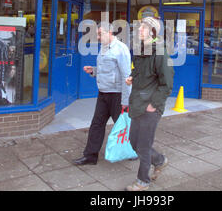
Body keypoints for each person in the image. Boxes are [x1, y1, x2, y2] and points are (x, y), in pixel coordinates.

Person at [125, 16, 174, 191]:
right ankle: (160, 160)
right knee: (133, 142)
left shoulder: (161, 52)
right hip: (138, 103)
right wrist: (132, 77)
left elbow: (167, 83)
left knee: (144, 146)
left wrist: (154, 105)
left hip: (150, 107)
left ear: (152, 31)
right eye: (139, 27)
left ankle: (142, 182)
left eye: (143, 28)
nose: (139, 30)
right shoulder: (140, 50)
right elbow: (141, 72)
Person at [72, 22, 132, 165]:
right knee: (96, 124)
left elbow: (127, 77)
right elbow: (107, 70)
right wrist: (93, 70)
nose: (98, 37)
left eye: (100, 34)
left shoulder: (121, 49)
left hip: (117, 95)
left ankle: (134, 150)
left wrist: (126, 101)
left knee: (124, 126)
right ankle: (90, 156)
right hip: (103, 93)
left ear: (109, 33)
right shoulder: (104, 48)